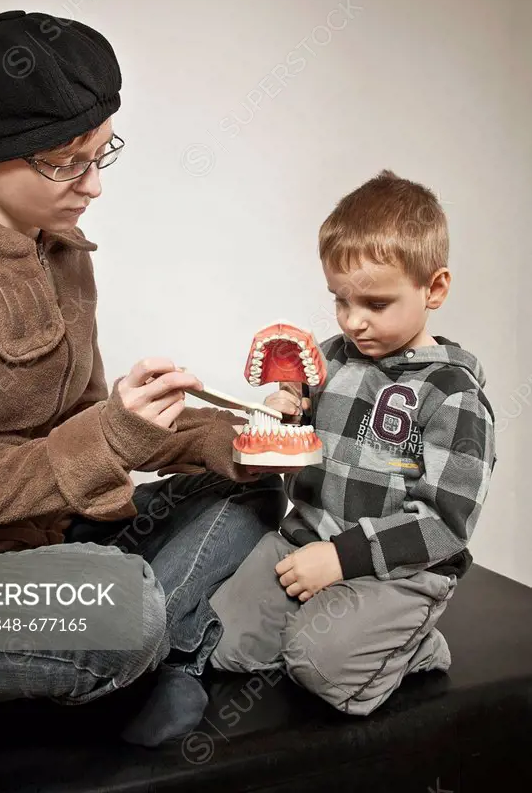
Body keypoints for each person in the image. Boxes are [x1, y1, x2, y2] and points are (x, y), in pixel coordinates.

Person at [0, 10, 285, 746]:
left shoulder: (65, 252)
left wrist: (235, 435)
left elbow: (87, 427)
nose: (93, 186)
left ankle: (145, 655)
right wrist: (109, 439)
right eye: (66, 161)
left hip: (51, 547)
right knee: (121, 611)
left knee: (249, 484)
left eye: (101, 154)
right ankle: (154, 643)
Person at [208, 170, 496, 716]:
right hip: (306, 542)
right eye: (340, 301)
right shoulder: (330, 358)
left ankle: (414, 646)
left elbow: (446, 524)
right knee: (224, 642)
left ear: (433, 289)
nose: (352, 321)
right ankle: (325, 621)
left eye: (375, 304)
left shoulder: (452, 395)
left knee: (320, 668)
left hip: (398, 569)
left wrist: (343, 560)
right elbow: (301, 444)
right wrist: (281, 416)